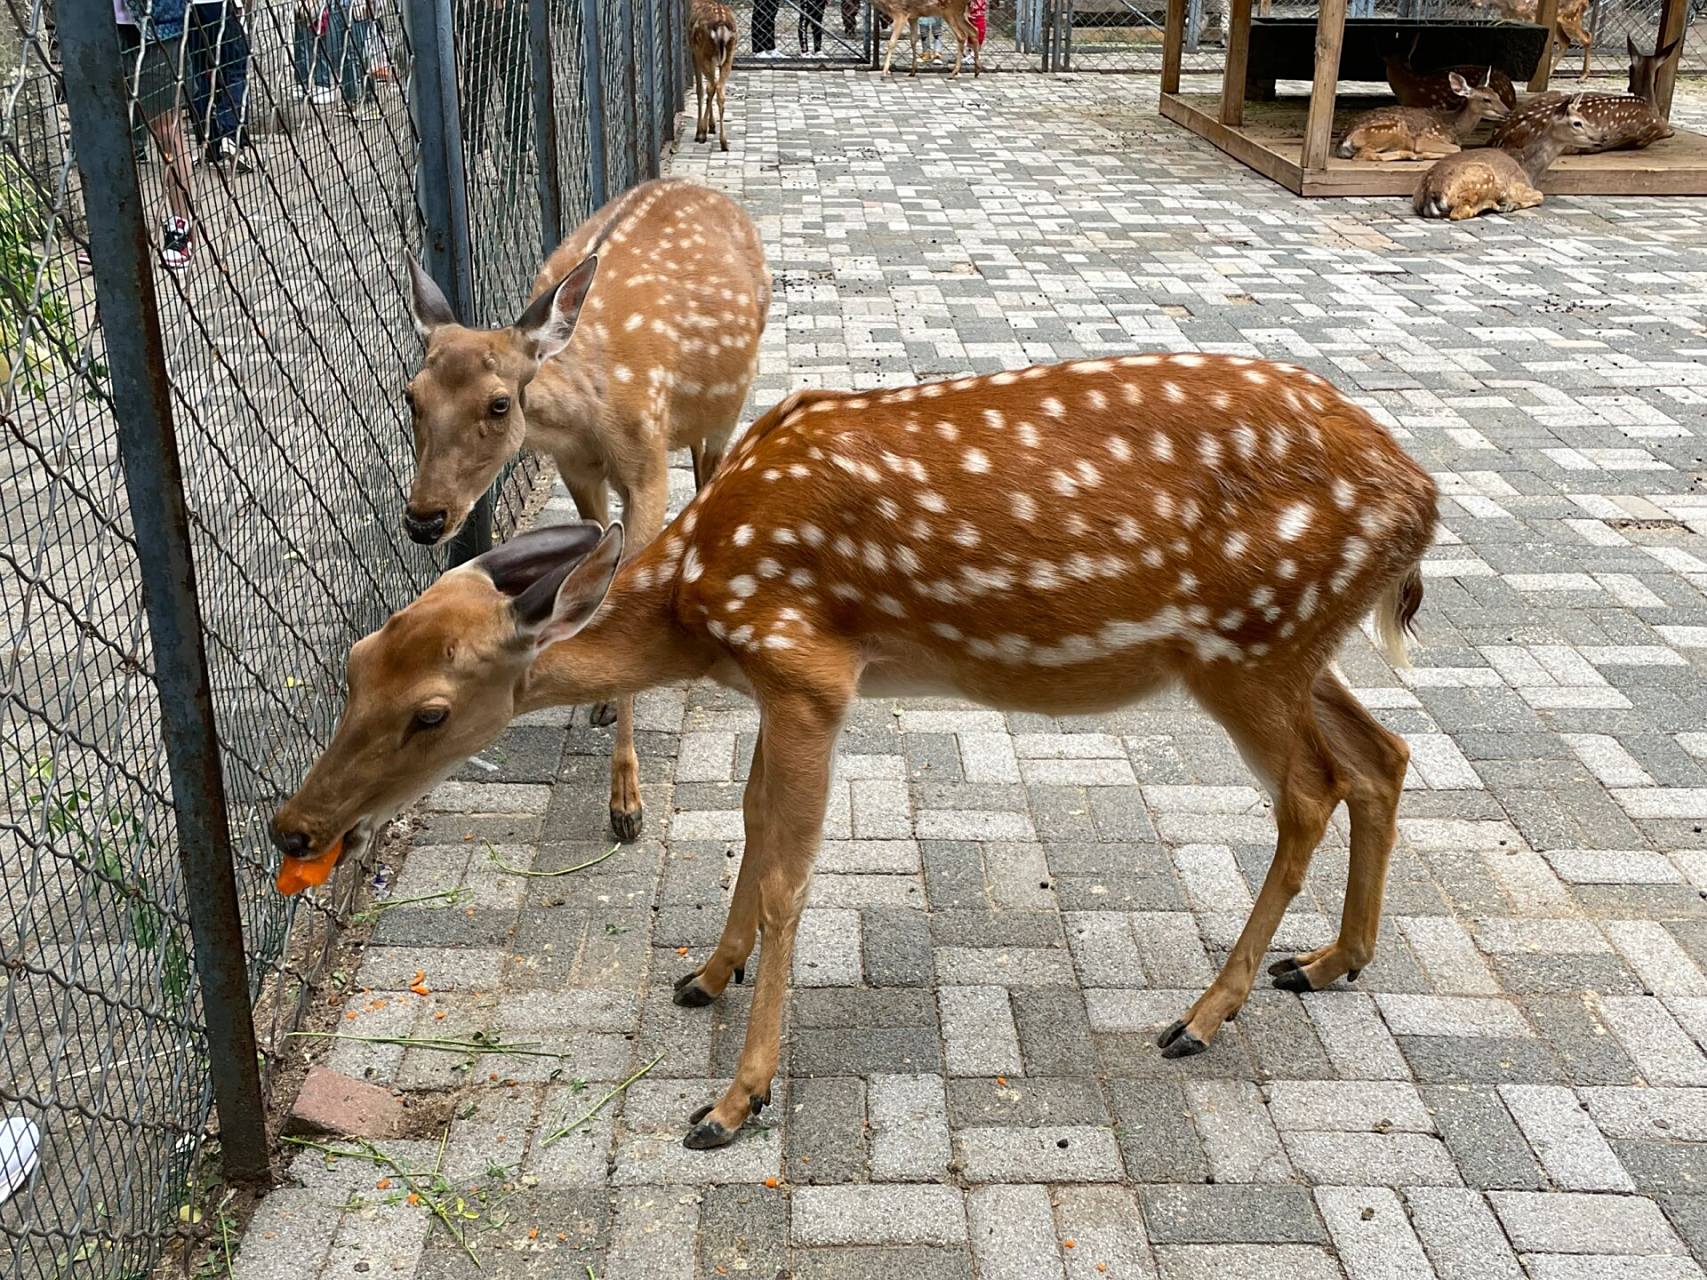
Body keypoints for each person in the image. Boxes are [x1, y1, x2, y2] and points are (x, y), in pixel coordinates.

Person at [115, 0, 196, 269]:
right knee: (110, 132)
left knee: (166, 132)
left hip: (157, 26)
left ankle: (180, 228)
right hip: (104, 26)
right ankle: (112, 234)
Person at [186, 0, 252, 171]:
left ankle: (209, 142)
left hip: (188, 8)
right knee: (235, 70)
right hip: (217, 4)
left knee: (200, 74)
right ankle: (230, 135)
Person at [293, 0, 336, 103]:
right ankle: (302, 83)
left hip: (318, 6)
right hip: (300, 8)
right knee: (301, 45)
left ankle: (324, 85)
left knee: (320, 45)